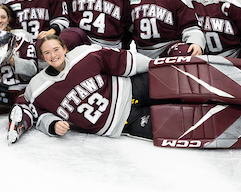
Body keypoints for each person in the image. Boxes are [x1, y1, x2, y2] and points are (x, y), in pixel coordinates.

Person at [9, 33, 152, 143]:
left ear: (64, 49)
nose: (53, 55)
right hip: (123, 123)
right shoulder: (37, 88)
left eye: (56, 49)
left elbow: (124, 60)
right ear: (43, 57)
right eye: (47, 53)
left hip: (133, 89)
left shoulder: (84, 54)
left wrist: (155, 65)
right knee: (170, 126)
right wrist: (53, 124)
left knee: (170, 84)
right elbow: (39, 114)